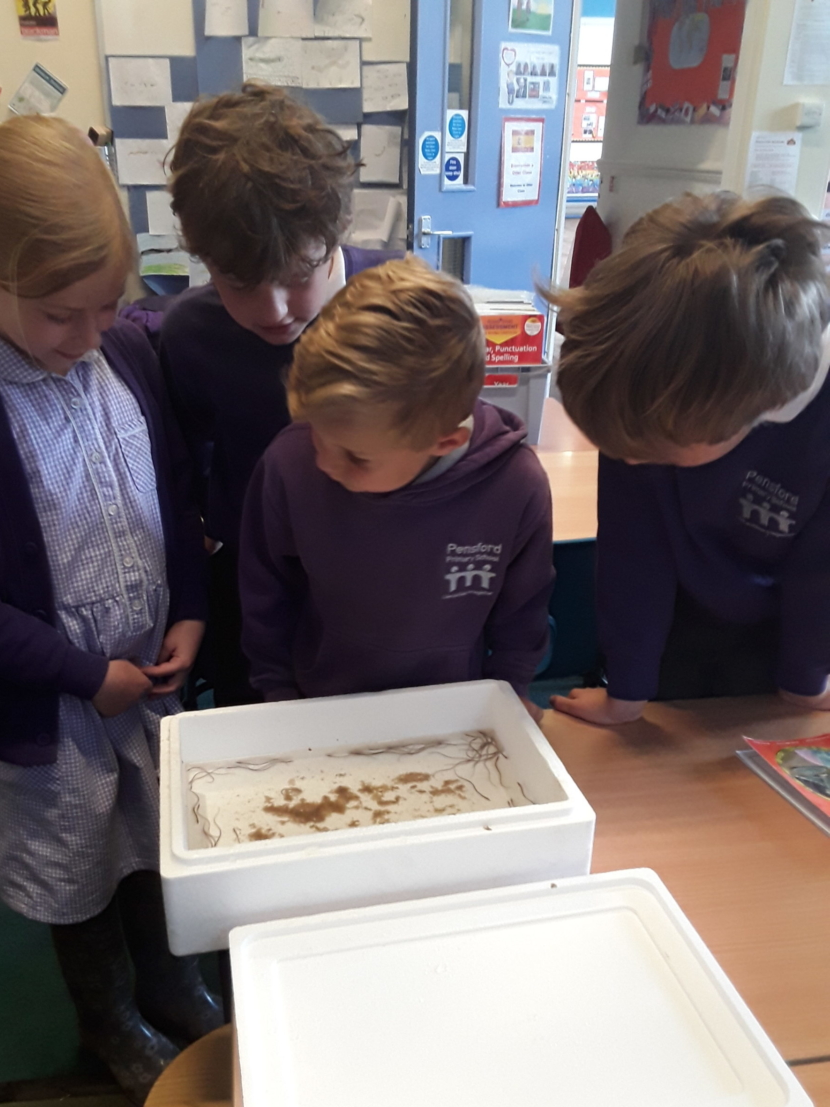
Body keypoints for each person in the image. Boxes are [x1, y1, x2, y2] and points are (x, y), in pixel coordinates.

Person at [0, 117, 220, 1105]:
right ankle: (108, 1020)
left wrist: (190, 605)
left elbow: (173, 499)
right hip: (50, 708)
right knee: (78, 867)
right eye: (61, 315)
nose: (89, 334)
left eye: (108, 307)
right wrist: (82, 676)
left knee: (150, 839)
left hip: (148, 677)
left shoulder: (126, 356)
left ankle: (173, 983)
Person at [541, 192, 830, 725]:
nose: (628, 462)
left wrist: (806, 682)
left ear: (755, 410)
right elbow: (633, 550)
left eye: (653, 450)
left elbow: (820, 578)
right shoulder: (648, 387)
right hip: (682, 616)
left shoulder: (796, 419)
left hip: (798, 626)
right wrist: (626, 692)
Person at [160, 83, 399, 706]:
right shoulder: (191, 336)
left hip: (386, 580)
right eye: (239, 283)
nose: (274, 312)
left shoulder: (402, 307)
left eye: (297, 276)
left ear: (337, 231)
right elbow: (181, 472)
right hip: (253, 594)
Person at [238, 256, 554, 715]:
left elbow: (522, 613)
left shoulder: (516, 486)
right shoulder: (289, 464)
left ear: (445, 440)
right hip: (320, 707)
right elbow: (265, 596)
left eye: (356, 457)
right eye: (315, 433)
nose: (325, 462)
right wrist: (277, 695)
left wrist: (510, 691)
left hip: (452, 712)